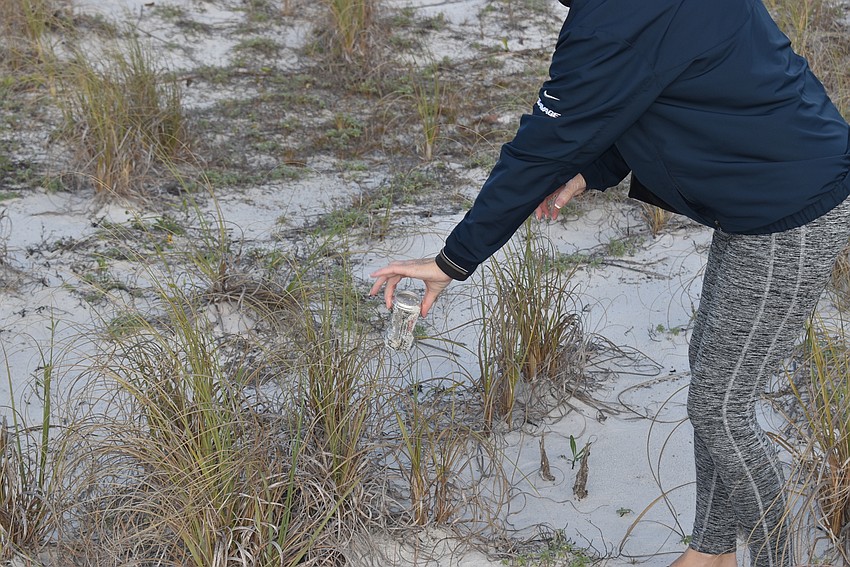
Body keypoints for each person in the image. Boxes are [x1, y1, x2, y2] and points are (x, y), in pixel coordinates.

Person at [369, 0, 850, 565]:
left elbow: (538, 147)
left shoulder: (612, 21)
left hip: (789, 211)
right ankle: (712, 554)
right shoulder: (627, 15)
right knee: (713, 379)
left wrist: (453, 261)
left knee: (722, 406)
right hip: (764, 194)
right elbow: (673, 82)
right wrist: (590, 170)